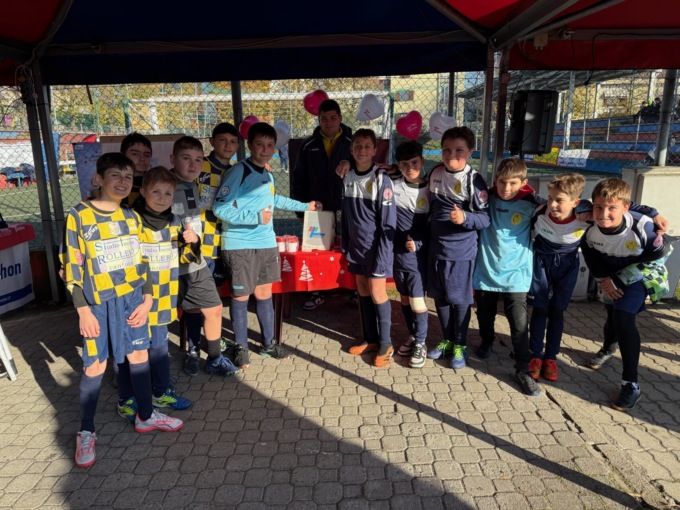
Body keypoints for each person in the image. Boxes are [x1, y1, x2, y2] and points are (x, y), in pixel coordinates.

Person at [60, 153, 183, 468]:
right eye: (115, 175)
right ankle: (86, 432)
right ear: (98, 179)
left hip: (132, 299)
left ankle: (145, 416)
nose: (122, 182)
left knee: (139, 356)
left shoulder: (131, 217)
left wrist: (147, 299)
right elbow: (71, 266)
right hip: (98, 304)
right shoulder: (79, 215)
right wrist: (83, 310)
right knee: (95, 366)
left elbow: (142, 261)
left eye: (128, 177)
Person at [213, 122, 321, 367]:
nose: (264, 149)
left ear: (274, 148)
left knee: (264, 294)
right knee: (241, 296)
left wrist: (305, 206)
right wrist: (254, 217)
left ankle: (268, 345)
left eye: (269, 145)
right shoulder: (239, 171)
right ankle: (241, 348)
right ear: (250, 145)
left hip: (266, 244)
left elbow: (274, 199)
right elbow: (220, 208)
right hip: (239, 245)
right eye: (259, 144)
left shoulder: (268, 174)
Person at [581, 178, 670, 411]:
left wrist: (619, 280)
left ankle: (631, 384)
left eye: (612, 208)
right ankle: (608, 349)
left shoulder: (644, 227)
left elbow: (659, 254)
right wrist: (604, 280)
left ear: (626, 208)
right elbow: (592, 258)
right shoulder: (589, 230)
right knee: (612, 315)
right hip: (610, 276)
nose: (604, 214)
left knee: (623, 316)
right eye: (599, 207)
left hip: (641, 274)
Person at [116, 166, 196, 423]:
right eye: (156, 192)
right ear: (143, 192)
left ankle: (161, 392)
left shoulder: (175, 221)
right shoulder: (131, 221)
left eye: (168, 193)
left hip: (164, 296)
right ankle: (127, 397)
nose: (162, 198)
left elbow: (186, 258)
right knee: (129, 348)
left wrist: (192, 241)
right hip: (135, 298)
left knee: (159, 347)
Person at [170, 136, 239, 377]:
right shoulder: (165, 184)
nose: (193, 165)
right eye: (186, 158)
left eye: (198, 159)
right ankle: (191, 352)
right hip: (169, 264)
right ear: (173, 159)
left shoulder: (192, 184)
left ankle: (214, 358)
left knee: (213, 307)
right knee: (185, 311)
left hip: (194, 260)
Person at [473, 158, 542, 396]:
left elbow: (565, 205)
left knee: (519, 322)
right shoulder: (486, 198)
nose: (506, 188)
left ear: (524, 182)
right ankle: (487, 341)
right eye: (502, 182)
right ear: (495, 181)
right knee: (484, 313)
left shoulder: (532, 203)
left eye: (513, 183)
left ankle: (523, 369)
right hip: (486, 270)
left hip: (517, 274)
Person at [427, 126, 490, 368]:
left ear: (470, 151)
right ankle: (447, 339)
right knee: (440, 298)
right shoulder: (435, 172)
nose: (452, 155)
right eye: (446, 149)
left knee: (459, 299)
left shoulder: (474, 180)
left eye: (459, 150)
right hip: (436, 250)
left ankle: (461, 345)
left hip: (461, 253)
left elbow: (485, 219)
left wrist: (465, 218)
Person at [527, 173, 590, 381]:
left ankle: (551, 358)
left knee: (557, 312)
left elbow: (624, 207)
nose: (552, 204)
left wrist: (653, 215)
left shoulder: (586, 218)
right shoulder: (539, 212)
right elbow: (523, 195)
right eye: (550, 198)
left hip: (567, 266)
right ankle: (535, 355)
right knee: (540, 309)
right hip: (541, 263)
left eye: (559, 200)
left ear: (576, 203)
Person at [292, 99, 353, 311]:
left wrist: (350, 162)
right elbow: (298, 179)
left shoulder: (352, 142)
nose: (328, 122)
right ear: (318, 119)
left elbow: (366, 166)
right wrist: (300, 210)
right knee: (316, 248)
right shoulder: (308, 145)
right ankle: (316, 290)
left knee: (348, 244)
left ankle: (353, 289)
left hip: (346, 204)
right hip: (317, 206)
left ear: (340, 119)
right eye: (324, 118)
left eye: (333, 118)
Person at [343, 129, 397, 368]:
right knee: (363, 290)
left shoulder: (381, 179)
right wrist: (346, 244)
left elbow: (388, 222)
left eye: (367, 146)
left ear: (375, 150)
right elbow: (347, 215)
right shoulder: (347, 175)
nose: (362, 150)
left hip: (376, 249)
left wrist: (383, 254)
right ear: (351, 149)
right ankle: (371, 339)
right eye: (357, 146)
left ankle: (386, 344)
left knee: (377, 293)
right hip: (356, 248)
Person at [389, 141, 431, 368]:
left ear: (422, 162)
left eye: (414, 163)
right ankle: (413, 336)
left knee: (417, 300)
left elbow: (436, 227)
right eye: (404, 164)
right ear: (398, 166)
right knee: (404, 298)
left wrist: (419, 243)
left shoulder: (431, 189)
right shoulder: (393, 185)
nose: (409, 168)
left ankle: (422, 343)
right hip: (397, 254)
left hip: (417, 257)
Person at [196, 122, 240, 289]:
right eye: (222, 140)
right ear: (212, 141)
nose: (228, 145)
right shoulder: (197, 166)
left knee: (215, 291)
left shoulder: (237, 172)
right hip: (199, 242)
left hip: (224, 242)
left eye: (233, 141)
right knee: (198, 292)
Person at [120, 132, 153, 206]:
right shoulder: (113, 182)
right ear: (123, 155)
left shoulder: (155, 182)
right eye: (135, 154)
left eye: (146, 155)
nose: (142, 158)